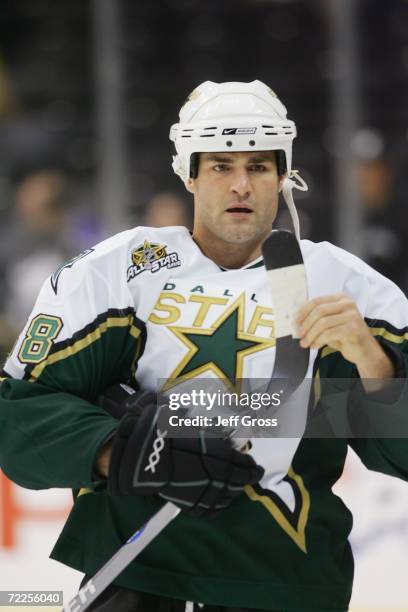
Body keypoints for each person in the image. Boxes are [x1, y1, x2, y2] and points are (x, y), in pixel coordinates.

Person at [0, 80, 407, 612]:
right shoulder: (119, 274)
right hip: (138, 578)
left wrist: (374, 364)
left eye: (258, 167)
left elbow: (388, 446)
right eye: (220, 166)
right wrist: (121, 452)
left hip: (284, 585)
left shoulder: (342, 287)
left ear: (283, 176)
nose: (241, 185)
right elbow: (20, 422)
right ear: (188, 174)